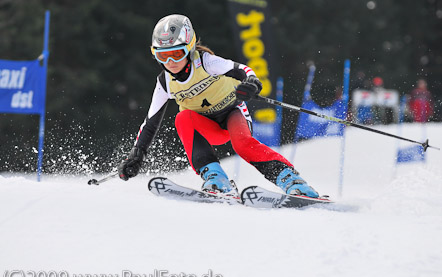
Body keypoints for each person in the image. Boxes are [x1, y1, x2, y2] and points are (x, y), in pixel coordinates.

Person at [117, 14, 319, 198]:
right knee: (182, 118)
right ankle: (216, 179)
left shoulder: (206, 62)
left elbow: (243, 70)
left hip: (232, 112)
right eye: (162, 56)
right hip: (207, 127)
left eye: (177, 54)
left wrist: (252, 84)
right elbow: (150, 123)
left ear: (189, 48)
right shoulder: (165, 83)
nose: (170, 62)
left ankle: (291, 179)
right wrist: (137, 154)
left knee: (242, 144)